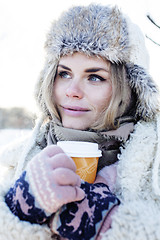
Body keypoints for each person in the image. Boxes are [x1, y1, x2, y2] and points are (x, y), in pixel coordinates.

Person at [0, 3, 160, 240]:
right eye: (64, 73)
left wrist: (113, 223)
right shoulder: (21, 156)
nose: (72, 91)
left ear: (129, 90)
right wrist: (17, 208)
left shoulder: (154, 163)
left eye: (95, 77)